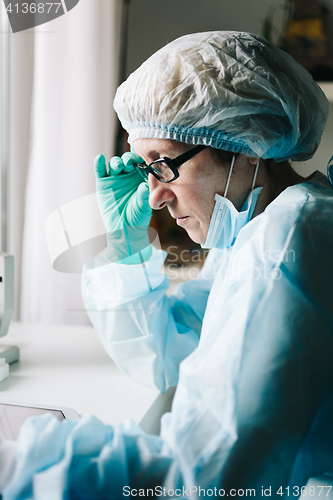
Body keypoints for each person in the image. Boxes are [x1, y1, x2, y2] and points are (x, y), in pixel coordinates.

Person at [1, 30, 333, 499]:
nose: (155, 195)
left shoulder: (286, 245)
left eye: (163, 163)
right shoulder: (261, 232)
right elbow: (174, 354)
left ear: (248, 144)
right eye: (145, 169)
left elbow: (201, 477)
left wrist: (19, 467)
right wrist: (126, 246)